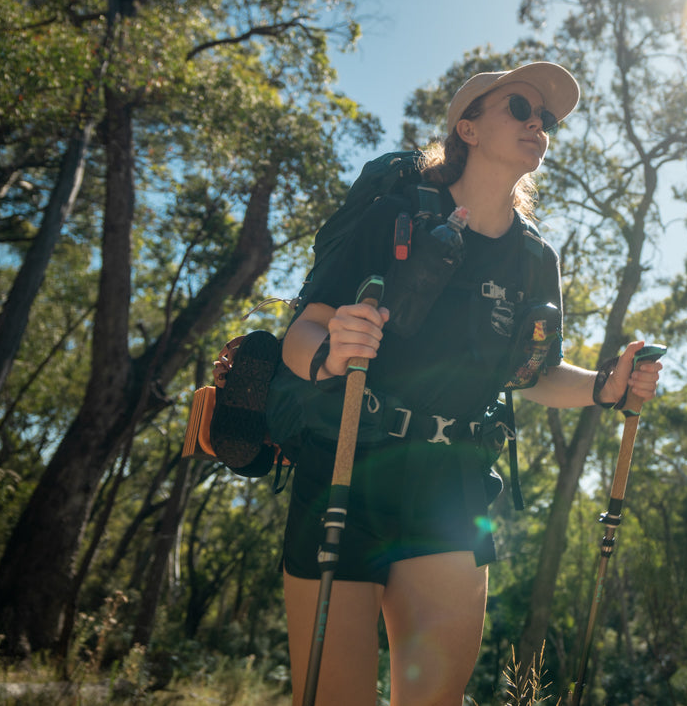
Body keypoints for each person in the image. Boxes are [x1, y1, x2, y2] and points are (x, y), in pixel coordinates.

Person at [276, 61, 665, 706]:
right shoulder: (391, 219)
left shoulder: (537, 260)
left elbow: (532, 378)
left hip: (450, 487)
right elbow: (302, 334)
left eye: (546, 119)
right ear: (468, 127)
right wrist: (330, 353)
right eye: (519, 107)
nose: (537, 123)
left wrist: (605, 387)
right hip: (346, 466)